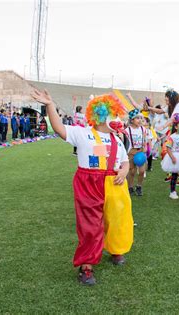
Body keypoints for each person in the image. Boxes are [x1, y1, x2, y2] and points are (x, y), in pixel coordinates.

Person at [31, 89, 133, 286]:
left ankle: (115, 249)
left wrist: (123, 171)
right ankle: (86, 266)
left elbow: (125, 161)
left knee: (117, 219)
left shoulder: (118, 140)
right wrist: (50, 105)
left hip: (114, 183)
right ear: (102, 115)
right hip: (89, 183)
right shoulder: (82, 133)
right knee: (90, 225)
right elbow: (60, 128)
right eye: (114, 115)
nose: (118, 120)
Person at [161, 114, 179, 199]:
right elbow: (168, 148)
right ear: (176, 127)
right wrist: (172, 157)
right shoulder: (172, 137)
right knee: (174, 175)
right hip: (175, 156)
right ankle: (172, 191)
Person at [125, 109, 147, 196]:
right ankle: (130, 187)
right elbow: (125, 142)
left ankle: (139, 186)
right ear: (132, 120)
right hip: (131, 152)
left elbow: (144, 139)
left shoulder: (143, 129)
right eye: (137, 118)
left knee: (142, 171)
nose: (140, 120)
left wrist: (145, 147)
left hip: (140, 152)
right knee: (132, 171)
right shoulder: (127, 130)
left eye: (140, 118)